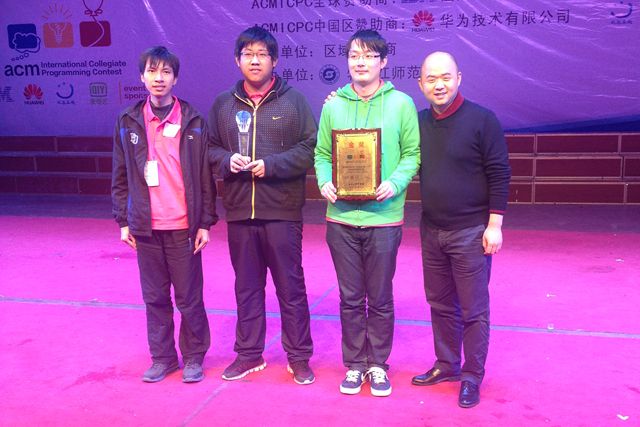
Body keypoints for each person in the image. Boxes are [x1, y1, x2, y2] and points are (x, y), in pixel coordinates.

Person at [207, 26, 317, 385]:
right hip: (240, 212)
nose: (255, 61)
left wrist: (272, 165)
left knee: (291, 289)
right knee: (247, 288)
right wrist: (227, 160)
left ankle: (299, 357)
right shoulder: (223, 104)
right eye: (248, 54)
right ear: (237, 60)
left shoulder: (294, 101)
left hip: (282, 211)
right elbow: (209, 148)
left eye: (262, 54)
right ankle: (249, 354)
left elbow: (309, 149)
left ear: (275, 60)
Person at [315, 29, 420, 397]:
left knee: (380, 297)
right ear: (347, 62)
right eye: (354, 55)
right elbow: (322, 154)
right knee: (349, 298)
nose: (361, 62)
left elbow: (412, 154)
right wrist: (324, 181)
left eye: (369, 56)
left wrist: (395, 182)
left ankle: (377, 365)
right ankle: (355, 365)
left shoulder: (402, 104)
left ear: (383, 61)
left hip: (383, 217)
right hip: (341, 218)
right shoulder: (333, 105)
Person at [411, 51, 511, 408]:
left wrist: (495, 225)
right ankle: (447, 364)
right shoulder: (417, 122)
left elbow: (500, 172)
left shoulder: (483, 120)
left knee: (473, 309)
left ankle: (471, 375)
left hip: (471, 231)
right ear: (420, 84)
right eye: (431, 79)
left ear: (458, 79)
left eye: (446, 77)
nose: (439, 85)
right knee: (439, 303)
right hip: (431, 230)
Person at [111, 46, 217, 383]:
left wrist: (205, 222)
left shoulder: (193, 120)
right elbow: (120, 174)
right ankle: (163, 358)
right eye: (152, 71)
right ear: (141, 77)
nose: (159, 78)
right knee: (155, 298)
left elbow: (205, 176)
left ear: (175, 78)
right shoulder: (128, 120)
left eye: (166, 72)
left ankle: (194, 358)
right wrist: (123, 220)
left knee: (189, 299)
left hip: (184, 225)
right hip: (146, 226)